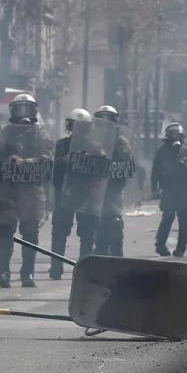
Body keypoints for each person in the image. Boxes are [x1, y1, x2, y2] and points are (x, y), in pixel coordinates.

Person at [0, 93, 54, 288]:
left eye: (27, 108)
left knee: (30, 231)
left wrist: (25, 162)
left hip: (31, 189)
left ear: (34, 111)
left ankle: (28, 274)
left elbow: (48, 158)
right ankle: (3, 271)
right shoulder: (2, 132)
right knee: (5, 229)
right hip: (8, 187)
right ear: (12, 111)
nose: (23, 113)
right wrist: (2, 164)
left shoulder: (41, 133)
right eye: (19, 108)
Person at [49, 108, 94, 280]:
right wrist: (64, 160)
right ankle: (56, 267)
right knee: (60, 231)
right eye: (76, 127)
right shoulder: (61, 145)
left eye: (82, 127)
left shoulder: (94, 146)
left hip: (86, 195)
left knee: (88, 232)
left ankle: (85, 268)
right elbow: (51, 165)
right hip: (65, 193)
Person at [151, 122, 187, 257]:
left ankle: (181, 248)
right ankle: (160, 246)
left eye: (179, 134)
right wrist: (155, 188)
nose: (176, 137)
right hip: (169, 189)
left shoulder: (185, 151)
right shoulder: (161, 152)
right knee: (168, 217)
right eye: (173, 134)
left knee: (184, 219)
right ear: (168, 135)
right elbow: (155, 171)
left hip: (184, 190)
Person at [92, 105, 134, 256]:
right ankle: (100, 255)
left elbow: (127, 162)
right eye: (102, 119)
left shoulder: (121, 142)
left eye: (108, 119)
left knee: (114, 223)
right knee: (98, 226)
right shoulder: (92, 141)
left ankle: (117, 256)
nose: (105, 123)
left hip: (113, 189)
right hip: (96, 190)